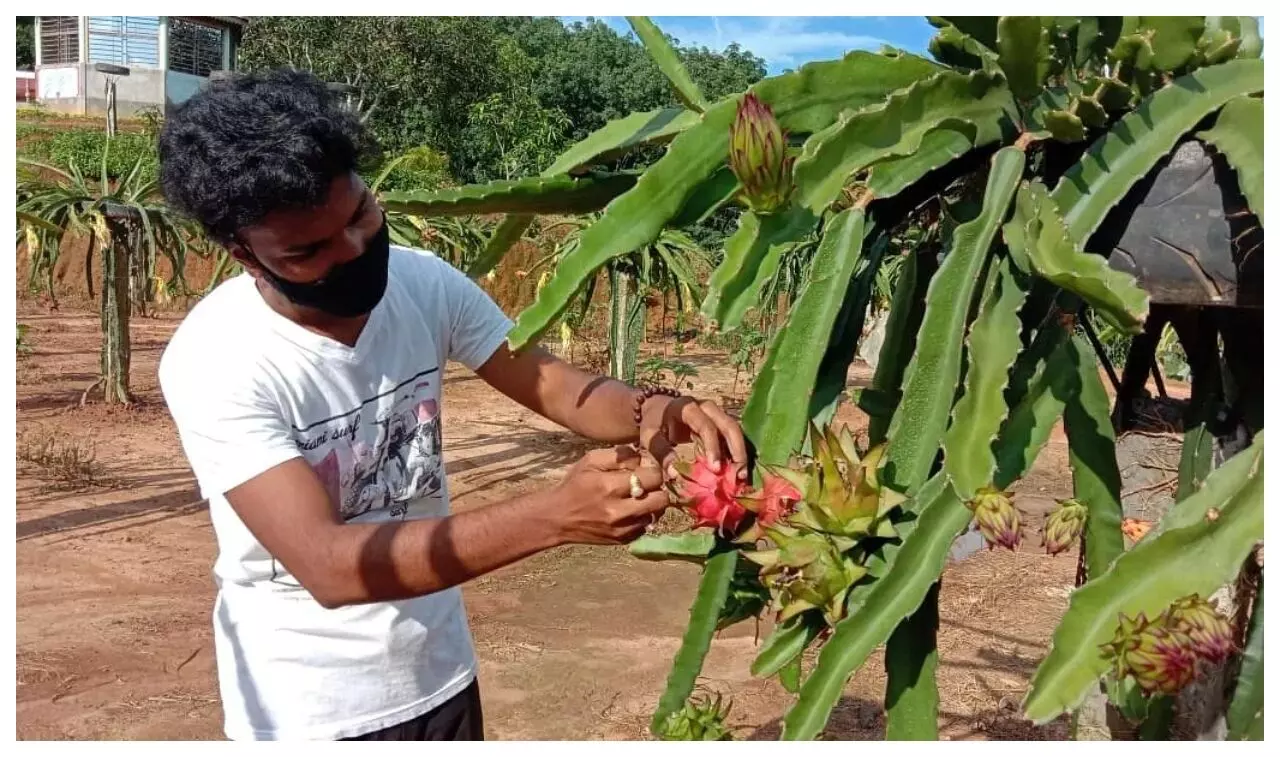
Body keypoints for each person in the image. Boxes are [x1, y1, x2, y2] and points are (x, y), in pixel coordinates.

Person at [155, 68, 748, 742]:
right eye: (309, 250)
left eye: (360, 215)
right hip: (308, 707)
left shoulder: (423, 282)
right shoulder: (216, 358)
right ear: (244, 253)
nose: (353, 250)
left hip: (439, 672)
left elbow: (549, 382)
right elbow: (328, 562)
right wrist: (554, 516)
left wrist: (660, 412)